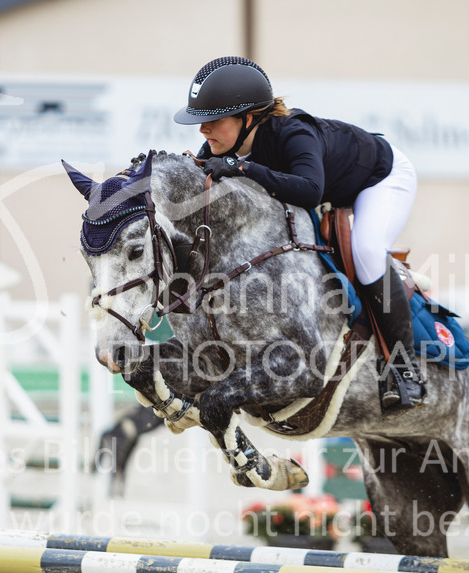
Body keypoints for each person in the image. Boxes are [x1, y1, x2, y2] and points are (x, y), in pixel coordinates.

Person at [174, 56, 425, 411]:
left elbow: (308, 190)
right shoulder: (222, 148)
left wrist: (243, 167)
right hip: (333, 187)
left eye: (212, 121)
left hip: (380, 179)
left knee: (367, 251)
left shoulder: (294, 133)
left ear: (248, 118)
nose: (202, 130)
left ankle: (405, 369)